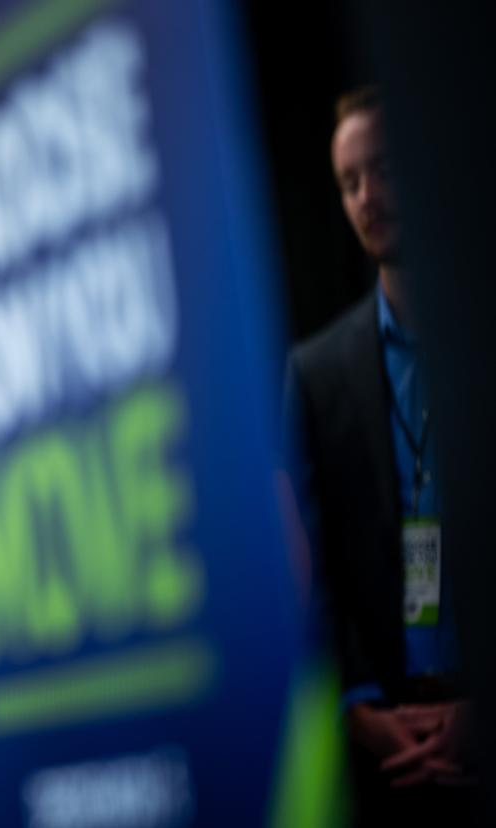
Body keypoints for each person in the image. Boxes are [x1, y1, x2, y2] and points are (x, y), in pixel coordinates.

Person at [285, 88, 475, 824]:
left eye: (383, 169)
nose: (368, 196)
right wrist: (355, 706)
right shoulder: (316, 371)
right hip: (382, 752)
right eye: (348, 181)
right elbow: (310, 567)